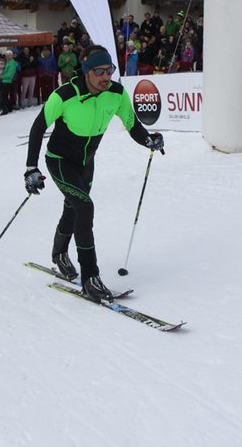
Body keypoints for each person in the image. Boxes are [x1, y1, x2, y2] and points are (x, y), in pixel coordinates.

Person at [23, 45, 164, 302]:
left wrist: (148, 141)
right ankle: (90, 278)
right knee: (84, 207)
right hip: (60, 161)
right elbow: (37, 127)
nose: (105, 76)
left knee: (74, 208)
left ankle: (59, 254)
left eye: (109, 70)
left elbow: (132, 125)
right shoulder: (64, 95)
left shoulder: (116, 94)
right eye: (99, 71)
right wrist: (31, 168)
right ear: (86, 71)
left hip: (86, 163)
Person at [0, 50, 18, 115]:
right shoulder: (8, 62)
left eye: (9, 55)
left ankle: (5, 109)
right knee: (5, 96)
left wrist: (1, 76)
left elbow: (10, 75)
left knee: (3, 96)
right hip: (4, 81)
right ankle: (8, 108)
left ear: (12, 56)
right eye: (6, 55)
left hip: (7, 82)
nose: (7, 56)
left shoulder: (12, 63)